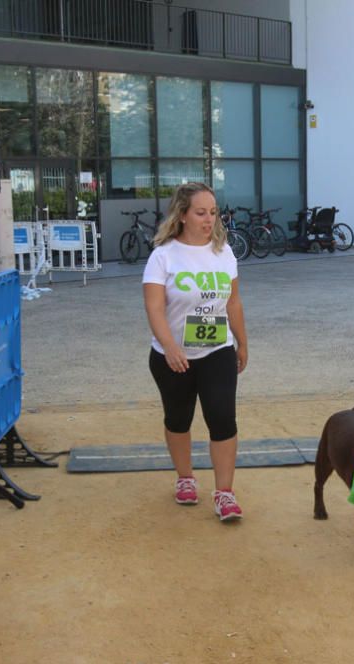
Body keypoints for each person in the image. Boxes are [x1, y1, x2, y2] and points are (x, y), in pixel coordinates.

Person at [142, 182, 249, 522]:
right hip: (172, 356)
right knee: (178, 418)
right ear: (183, 215)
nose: (209, 220)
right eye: (201, 213)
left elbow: (232, 301)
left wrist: (242, 341)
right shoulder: (163, 256)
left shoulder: (224, 252)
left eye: (213, 213)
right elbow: (155, 308)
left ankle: (225, 494)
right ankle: (185, 478)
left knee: (222, 418)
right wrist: (171, 348)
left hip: (217, 350)